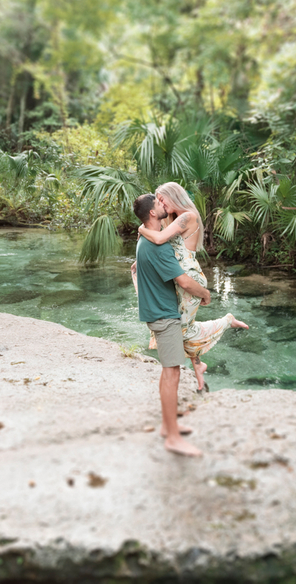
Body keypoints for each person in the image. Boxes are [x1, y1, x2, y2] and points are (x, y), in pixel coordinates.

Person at [137, 182, 248, 393]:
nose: (161, 204)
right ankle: (199, 367)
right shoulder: (172, 218)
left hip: (189, 279)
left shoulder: (188, 216)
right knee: (180, 327)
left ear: (173, 197)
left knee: (182, 330)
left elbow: (159, 238)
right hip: (177, 277)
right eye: (158, 201)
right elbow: (158, 241)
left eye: (162, 199)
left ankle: (226, 321)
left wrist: (142, 228)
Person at [132, 192, 210, 457]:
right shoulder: (156, 246)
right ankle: (173, 438)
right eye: (158, 203)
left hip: (157, 312)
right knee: (171, 372)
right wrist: (206, 294)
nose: (162, 205)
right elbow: (185, 282)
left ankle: (168, 426)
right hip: (164, 315)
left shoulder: (145, 239)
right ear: (152, 213)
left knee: (170, 372)